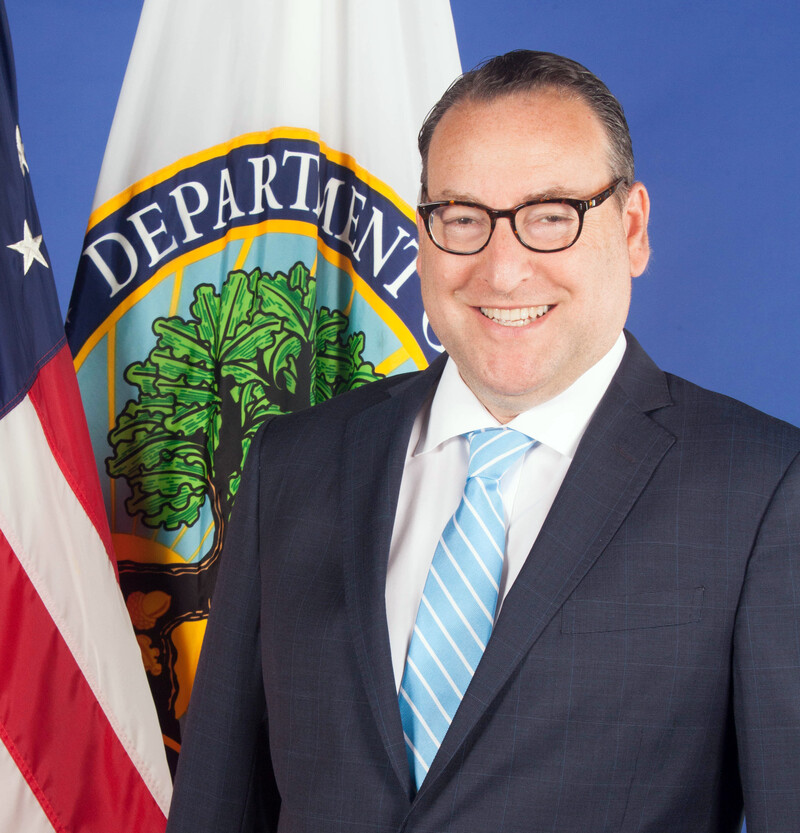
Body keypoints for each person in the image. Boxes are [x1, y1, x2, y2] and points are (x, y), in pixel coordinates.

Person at [166, 50, 800, 833]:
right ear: (423, 232)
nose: (502, 271)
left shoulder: (764, 487)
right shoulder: (292, 463)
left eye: (549, 215)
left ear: (632, 228)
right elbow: (216, 808)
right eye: (463, 217)